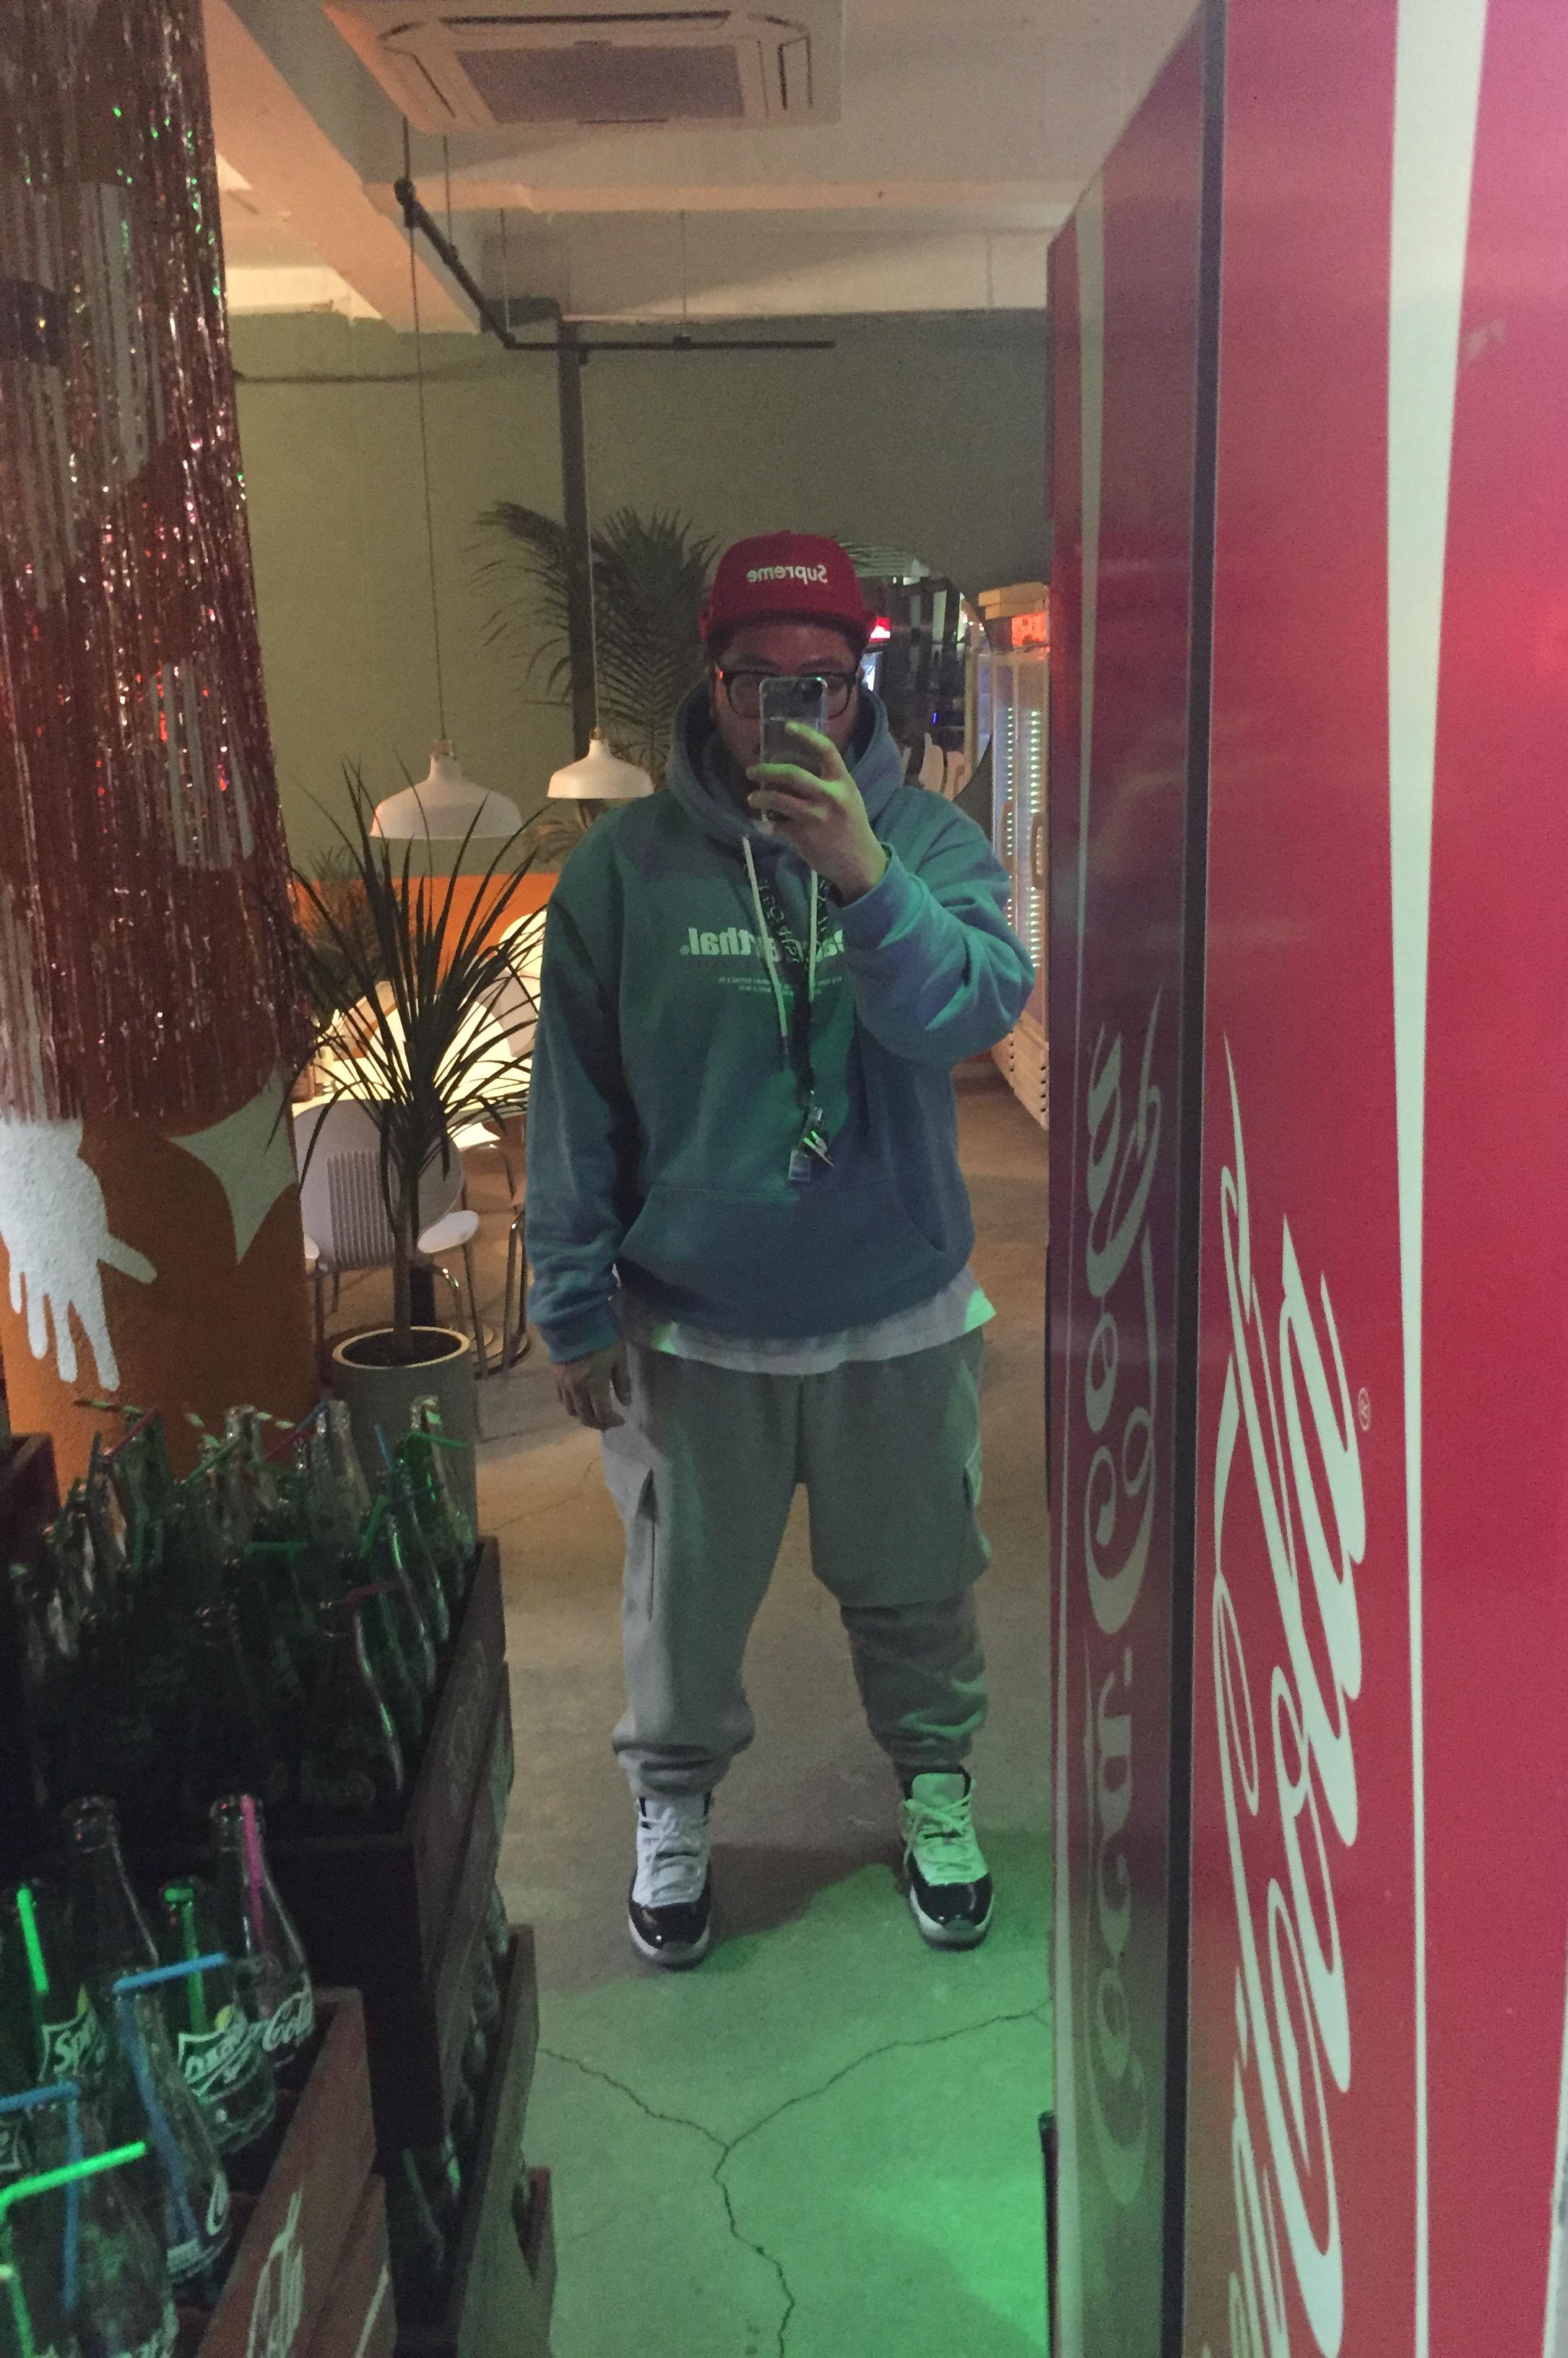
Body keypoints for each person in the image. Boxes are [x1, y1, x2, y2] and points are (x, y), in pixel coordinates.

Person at [524, 530, 1035, 1970]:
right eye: (763, 682)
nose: (793, 709)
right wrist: (571, 1303)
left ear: (864, 685)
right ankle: (673, 1807)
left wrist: (868, 879)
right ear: (715, 681)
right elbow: (572, 1103)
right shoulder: (623, 873)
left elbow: (969, 1014)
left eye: (826, 681)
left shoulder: (931, 845)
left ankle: (934, 1784)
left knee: (919, 1585)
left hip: (895, 1310)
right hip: (694, 1321)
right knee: (682, 1612)